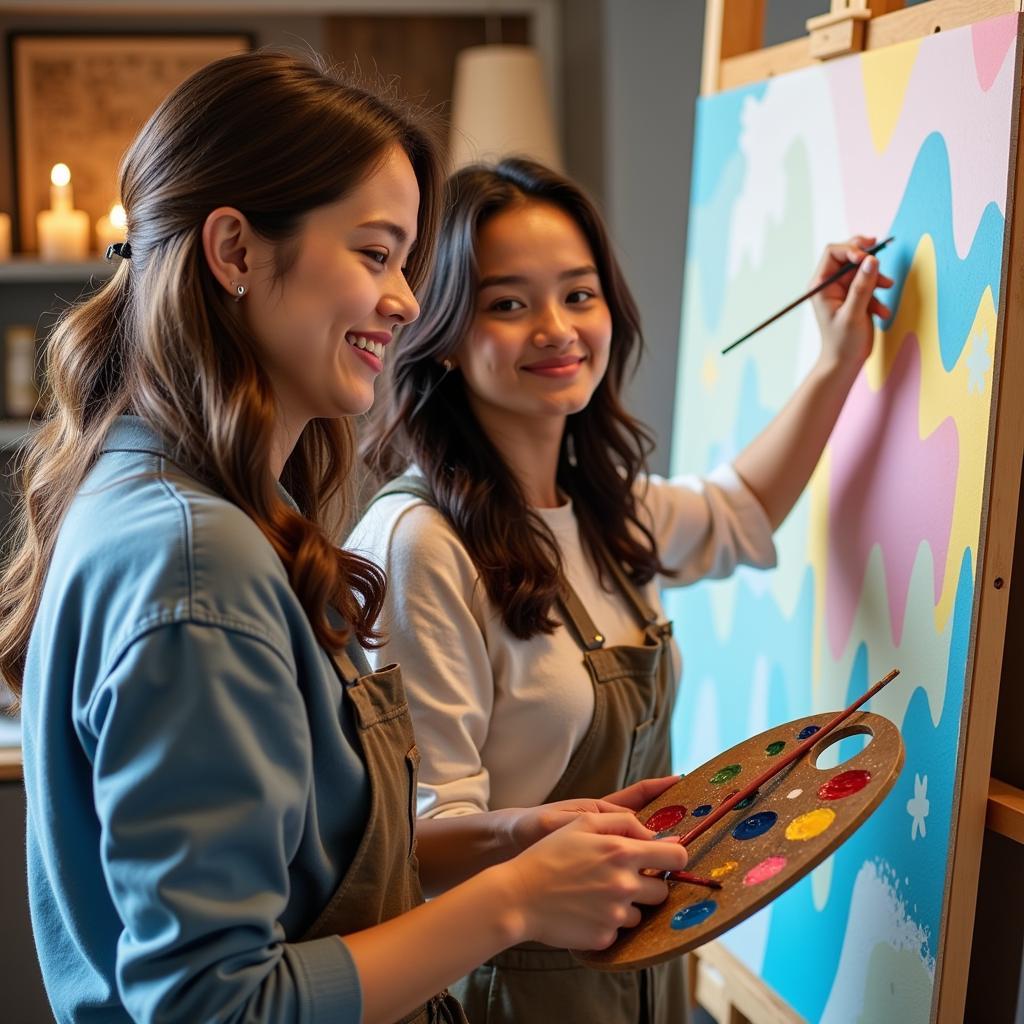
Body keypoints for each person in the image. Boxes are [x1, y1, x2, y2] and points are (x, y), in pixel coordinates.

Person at [0, 56, 691, 1024]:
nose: (408, 300)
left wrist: (506, 840)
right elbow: (215, 1004)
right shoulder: (198, 560)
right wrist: (518, 899)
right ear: (234, 251)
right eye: (376, 254)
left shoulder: (153, 499)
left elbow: (305, 866)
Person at [351, 157, 894, 1022]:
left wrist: (837, 358)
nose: (557, 329)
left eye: (578, 293)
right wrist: (537, 840)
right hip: (508, 988)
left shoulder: (600, 510)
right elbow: (411, 842)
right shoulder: (421, 543)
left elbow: (737, 511)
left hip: (644, 973)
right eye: (507, 303)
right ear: (444, 332)